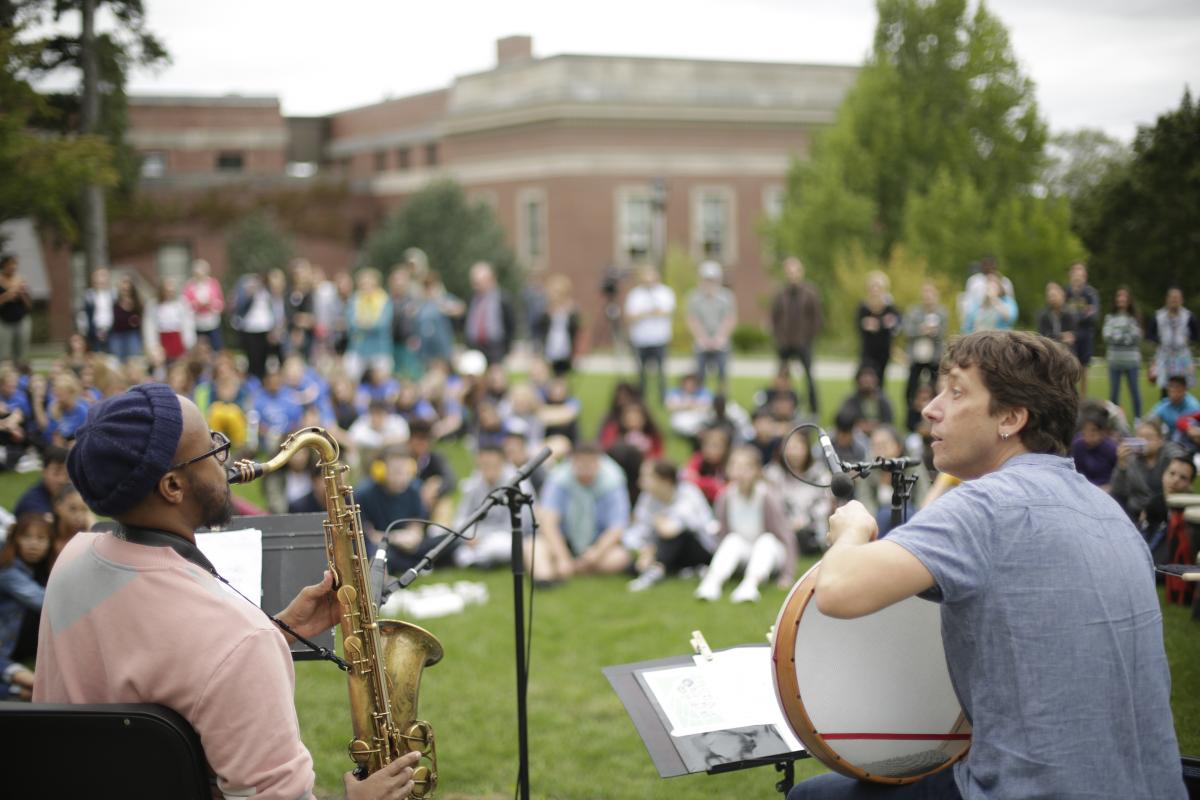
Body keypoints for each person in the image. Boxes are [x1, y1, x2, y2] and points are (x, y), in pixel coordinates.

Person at [788, 330, 1185, 799]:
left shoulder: (987, 505)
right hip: (1153, 786)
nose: (931, 408)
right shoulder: (1110, 514)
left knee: (812, 796)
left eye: (956, 392)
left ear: (1012, 418)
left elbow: (836, 590)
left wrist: (851, 528)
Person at [33, 383, 422, 799]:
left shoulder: (72, 560)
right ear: (172, 487)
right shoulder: (238, 640)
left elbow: (148, 663)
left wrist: (279, 631)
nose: (229, 459)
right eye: (213, 449)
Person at [694, 446, 796, 603]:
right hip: (744, 551)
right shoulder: (725, 497)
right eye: (735, 466)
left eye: (745, 467)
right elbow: (722, 535)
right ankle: (712, 582)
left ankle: (750, 585)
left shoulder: (766, 496)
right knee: (732, 539)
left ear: (756, 470)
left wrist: (787, 575)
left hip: (770, 554)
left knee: (766, 540)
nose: (740, 472)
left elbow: (786, 536)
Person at [532, 441, 631, 583]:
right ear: (572, 462)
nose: (586, 469)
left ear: (599, 463)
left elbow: (617, 527)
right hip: (563, 542)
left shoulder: (613, 481)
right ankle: (545, 579)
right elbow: (548, 522)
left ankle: (575, 568)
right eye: (581, 464)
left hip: (596, 544)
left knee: (619, 557)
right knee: (533, 547)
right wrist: (562, 556)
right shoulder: (558, 479)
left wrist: (596, 553)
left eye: (590, 464)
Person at [624, 459, 716, 592]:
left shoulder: (688, 493)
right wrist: (644, 550)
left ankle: (655, 570)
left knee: (675, 536)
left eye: (647, 476)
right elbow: (636, 532)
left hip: (699, 547)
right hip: (662, 548)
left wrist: (657, 523)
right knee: (632, 567)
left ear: (665, 481)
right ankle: (666, 568)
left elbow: (671, 530)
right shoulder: (647, 498)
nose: (640, 481)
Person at [451, 445, 534, 568]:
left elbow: (519, 525)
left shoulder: (516, 484)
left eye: (492, 464)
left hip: (505, 536)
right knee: (455, 547)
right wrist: (468, 536)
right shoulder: (475, 481)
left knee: (499, 546)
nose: (488, 469)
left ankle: (478, 559)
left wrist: (482, 536)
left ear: (503, 463)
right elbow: (461, 517)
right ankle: (477, 559)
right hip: (475, 537)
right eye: (484, 464)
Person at [0, 513, 51, 700]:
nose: (33, 544)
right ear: (15, 540)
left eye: (41, 538)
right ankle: (32, 685)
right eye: (27, 537)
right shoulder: (8, 570)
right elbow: (43, 600)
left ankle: (22, 690)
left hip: (25, 645)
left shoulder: (41, 569)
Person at [770, 256, 822, 416]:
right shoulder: (781, 294)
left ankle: (814, 410)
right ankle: (777, 407)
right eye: (789, 272)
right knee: (781, 379)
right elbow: (775, 318)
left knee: (809, 378)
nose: (792, 275)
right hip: (785, 343)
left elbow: (817, 318)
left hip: (803, 342)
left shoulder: (810, 293)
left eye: (795, 271)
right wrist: (779, 338)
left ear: (801, 272)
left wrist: (808, 338)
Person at [623, 266, 675, 404]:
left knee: (661, 372)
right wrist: (648, 313)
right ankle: (641, 399)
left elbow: (666, 312)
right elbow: (630, 316)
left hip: (660, 338)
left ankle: (663, 398)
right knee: (641, 373)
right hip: (640, 339)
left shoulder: (665, 292)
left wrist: (645, 313)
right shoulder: (635, 294)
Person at [686, 260, 736, 394]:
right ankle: (700, 398)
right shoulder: (694, 297)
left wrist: (719, 338)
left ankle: (723, 401)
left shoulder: (726, 297)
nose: (709, 283)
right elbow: (693, 320)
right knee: (700, 373)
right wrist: (703, 338)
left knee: (723, 373)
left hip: (721, 341)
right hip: (701, 342)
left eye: (712, 280)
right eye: (707, 279)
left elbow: (729, 319)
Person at [902, 282, 948, 410]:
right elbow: (907, 331)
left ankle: (936, 409)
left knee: (935, 385)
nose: (928, 297)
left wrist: (933, 332)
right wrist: (920, 331)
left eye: (930, 294)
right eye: (925, 294)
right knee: (912, 385)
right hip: (916, 355)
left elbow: (943, 332)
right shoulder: (913, 311)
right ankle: (911, 411)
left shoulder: (942, 312)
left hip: (934, 355)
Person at [1102, 286, 1144, 420]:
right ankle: (1114, 421)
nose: (1121, 299)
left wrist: (1118, 336)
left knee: (1135, 391)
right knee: (1114, 394)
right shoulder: (1110, 318)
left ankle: (1138, 419)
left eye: (1124, 296)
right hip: (1114, 361)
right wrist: (1126, 335)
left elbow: (1137, 337)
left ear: (1129, 300)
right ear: (1115, 300)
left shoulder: (1135, 317)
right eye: (1119, 296)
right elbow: (1107, 336)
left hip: (1132, 361)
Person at [1147, 286, 1199, 394]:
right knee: (1165, 387)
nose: (1174, 301)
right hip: (1165, 355)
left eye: (1177, 298)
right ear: (1167, 299)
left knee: (1182, 387)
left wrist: (1189, 339)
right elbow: (1150, 334)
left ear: (1181, 300)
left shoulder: (1188, 316)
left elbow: (1196, 334)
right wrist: (1158, 340)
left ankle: (1184, 410)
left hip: (1182, 356)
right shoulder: (1158, 316)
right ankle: (1166, 410)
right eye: (1172, 298)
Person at [463, 261, 515, 367]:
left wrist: (507, 348)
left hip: (495, 347)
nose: (475, 286)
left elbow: (511, 325)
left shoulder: (503, 299)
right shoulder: (471, 299)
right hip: (475, 346)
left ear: (490, 280)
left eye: (478, 282)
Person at [855, 271, 901, 385]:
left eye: (878, 287)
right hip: (868, 349)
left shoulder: (890, 307)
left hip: (884, 349)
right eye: (872, 287)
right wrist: (878, 324)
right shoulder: (864, 307)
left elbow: (896, 324)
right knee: (863, 375)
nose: (875, 290)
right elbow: (859, 325)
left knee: (880, 380)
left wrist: (878, 324)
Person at [531, 274, 580, 375]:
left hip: (565, 348)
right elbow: (538, 328)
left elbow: (576, 330)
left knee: (562, 377)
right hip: (549, 347)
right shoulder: (546, 310)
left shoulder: (571, 310)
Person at [1063, 262, 1101, 395]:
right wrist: (1083, 313)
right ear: (1070, 275)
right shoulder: (1065, 292)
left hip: (1085, 333)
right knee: (1069, 366)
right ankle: (1069, 396)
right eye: (1075, 274)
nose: (1078, 277)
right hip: (1069, 334)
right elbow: (1062, 312)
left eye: (1081, 275)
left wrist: (1075, 316)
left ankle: (1083, 400)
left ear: (1085, 276)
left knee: (1084, 367)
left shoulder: (1090, 293)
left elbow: (1094, 315)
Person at [13, 445, 69, 518]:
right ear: (43, 471)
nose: (62, 479)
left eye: (67, 474)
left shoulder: (71, 494)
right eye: (56, 473)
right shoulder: (32, 503)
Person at [183, 258, 225, 352]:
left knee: (215, 347)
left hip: (211, 322)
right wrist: (197, 305)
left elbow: (220, 302)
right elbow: (185, 305)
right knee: (199, 348)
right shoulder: (190, 285)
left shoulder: (213, 283)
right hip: (196, 323)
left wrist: (211, 304)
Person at [0, 254, 32, 365]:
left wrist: (22, 294)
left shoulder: (21, 280)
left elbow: (29, 305)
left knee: (22, 354)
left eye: (15, 264)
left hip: (21, 320)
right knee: (4, 354)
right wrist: (7, 296)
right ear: (4, 265)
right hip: (4, 322)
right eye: (10, 264)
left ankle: (21, 377)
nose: (13, 267)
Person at [77, 266, 115, 353]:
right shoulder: (89, 295)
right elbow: (83, 315)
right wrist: (85, 331)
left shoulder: (113, 294)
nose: (101, 279)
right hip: (94, 332)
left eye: (103, 276)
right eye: (98, 276)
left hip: (111, 331)